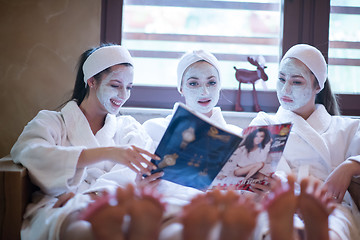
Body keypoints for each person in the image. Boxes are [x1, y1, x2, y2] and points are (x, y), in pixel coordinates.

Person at [10, 43, 160, 240]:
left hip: (114, 203)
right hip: (59, 207)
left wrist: (90, 198)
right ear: (91, 81)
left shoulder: (128, 128)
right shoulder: (52, 122)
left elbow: (133, 176)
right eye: (115, 85)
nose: (124, 95)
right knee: (84, 230)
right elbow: (29, 152)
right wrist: (108, 152)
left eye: (129, 87)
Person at [249, 43, 360, 239]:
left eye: (296, 82)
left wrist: (350, 166)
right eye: (281, 79)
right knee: (272, 228)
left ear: (318, 85)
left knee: (332, 230)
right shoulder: (265, 123)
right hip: (278, 203)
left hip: (329, 209)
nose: (285, 89)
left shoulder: (346, 128)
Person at [142, 49, 243, 147]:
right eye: (193, 83)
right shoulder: (154, 130)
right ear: (181, 88)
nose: (204, 92)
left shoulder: (238, 138)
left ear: (219, 85)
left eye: (211, 82)